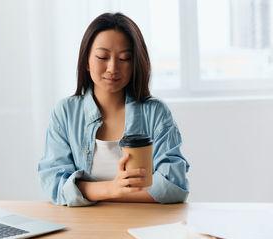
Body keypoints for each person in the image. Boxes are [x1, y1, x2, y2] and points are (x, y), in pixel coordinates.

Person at [38, 12, 189, 206]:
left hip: (144, 225)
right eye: (102, 56)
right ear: (86, 61)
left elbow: (173, 186)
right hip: (84, 227)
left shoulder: (155, 113)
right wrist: (112, 188)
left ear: (135, 64)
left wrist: (93, 191)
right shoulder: (65, 112)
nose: (113, 68)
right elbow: (54, 184)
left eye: (125, 58)